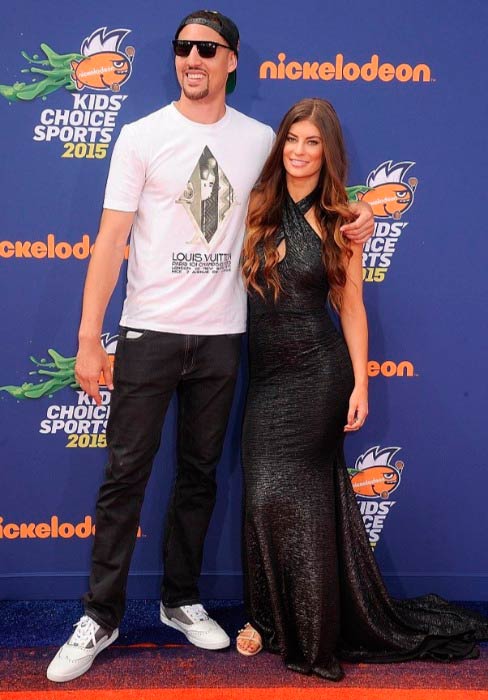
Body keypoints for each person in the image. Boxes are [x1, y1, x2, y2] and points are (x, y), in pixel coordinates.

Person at [46, 11, 374, 684]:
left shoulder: (259, 141)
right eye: (183, 48)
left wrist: (360, 215)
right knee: (124, 478)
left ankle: (181, 599)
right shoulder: (141, 137)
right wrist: (88, 336)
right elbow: (109, 243)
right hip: (148, 333)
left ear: (231, 61)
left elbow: (314, 186)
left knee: (199, 477)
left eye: (207, 48)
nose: (193, 57)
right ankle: (100, 615)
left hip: (226, 340)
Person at [237, 97, 488, 679]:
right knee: (264, 498)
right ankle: (271, 618)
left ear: (329, 152)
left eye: (313, 143)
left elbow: (350, 308)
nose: (300, 152)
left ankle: (312, 633)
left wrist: (361, 383)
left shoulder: (344, 218)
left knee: (301, 502)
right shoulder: (255, 203)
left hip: (318, 373)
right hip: (266, 377)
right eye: (292, 139)